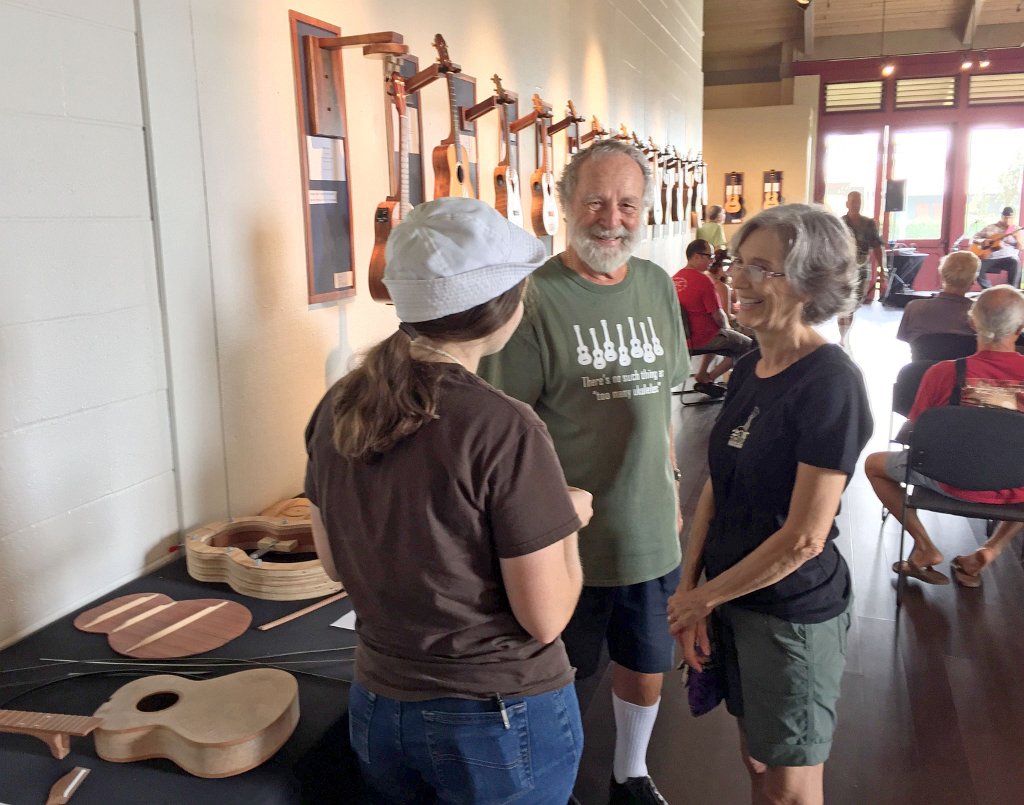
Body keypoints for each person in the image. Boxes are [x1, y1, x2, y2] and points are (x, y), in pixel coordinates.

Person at [305, 197, 593, 804]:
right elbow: (546, 617)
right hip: (494, 717)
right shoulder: (503, 426)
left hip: (379, 705)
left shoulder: (338, 406)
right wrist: (566, 521)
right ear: (506, 307)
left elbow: (334, 562)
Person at [480, 138, 689, 805]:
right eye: (596, 200)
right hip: (565, 534)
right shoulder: (534, 300)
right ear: (566, 205)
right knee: (560, 674)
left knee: (647, 661)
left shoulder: (657, 284)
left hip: (651, 526)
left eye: (627, 203)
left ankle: (630, 772)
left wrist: (673, 482)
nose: (612, 217)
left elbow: (665, 406)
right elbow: (507, 431)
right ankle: (557, 781)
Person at [666, 204, 873, 805]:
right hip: (731, 596)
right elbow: (716, 487)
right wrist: (692, 590)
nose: (737, 280)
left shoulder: (831, 383)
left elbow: (806, 536)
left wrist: (702, 597)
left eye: (763, 268)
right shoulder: (751, 365)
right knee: (757, 762)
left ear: (810, 285)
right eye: (737, 264)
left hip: (790, 614)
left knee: (789, 786)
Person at [866, 285, 1024, 588]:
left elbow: (917, 433)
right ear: (1020, 328)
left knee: (874, 465)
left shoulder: (942, 373)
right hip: (1014, 485)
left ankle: (924, 545)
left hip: (947, 479)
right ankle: (992, 548)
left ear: (973, 322)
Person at [673, 239, 752, 396]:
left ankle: (704, 376)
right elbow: (718, 316)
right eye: (709, 256)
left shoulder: (672, 279)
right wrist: (729, 328)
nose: (712, 261)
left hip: (681, 340)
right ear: (696, 256)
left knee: (724, 336)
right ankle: (738, 390)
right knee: (750, 345)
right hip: (704, 337)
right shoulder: (703, 281)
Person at [896, 250, 979, 346]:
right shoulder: (979, 314)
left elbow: (904, 337)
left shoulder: (914, 307)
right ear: (973, 280)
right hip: (963, 361)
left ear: (942, 276)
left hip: (922, 360)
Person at [838, 191, 885, 345]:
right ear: (847, 204)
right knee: (844, 302)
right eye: (852, 201)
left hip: (862, 269)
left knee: (855, 302)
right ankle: (843, 337)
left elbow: (877, 247)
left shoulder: (869, 224)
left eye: (858, 201)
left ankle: (845, 331)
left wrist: (882, 272)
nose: (855, 204)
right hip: (843, 270)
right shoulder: (839, 223)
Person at [973, 206, 1021, 290]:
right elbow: (975, 238)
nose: (1007, 220)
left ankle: (1012, 291)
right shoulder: (991, 227)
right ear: (1002, 217)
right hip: (991, 257)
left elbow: (1021, 247)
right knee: (977, 267)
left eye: (1010, 218)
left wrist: (1016, 238)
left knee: (1016, 262)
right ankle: (988, 290)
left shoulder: (1016, 229)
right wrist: (983, 241)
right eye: (1005, 218)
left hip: (1009, 258)